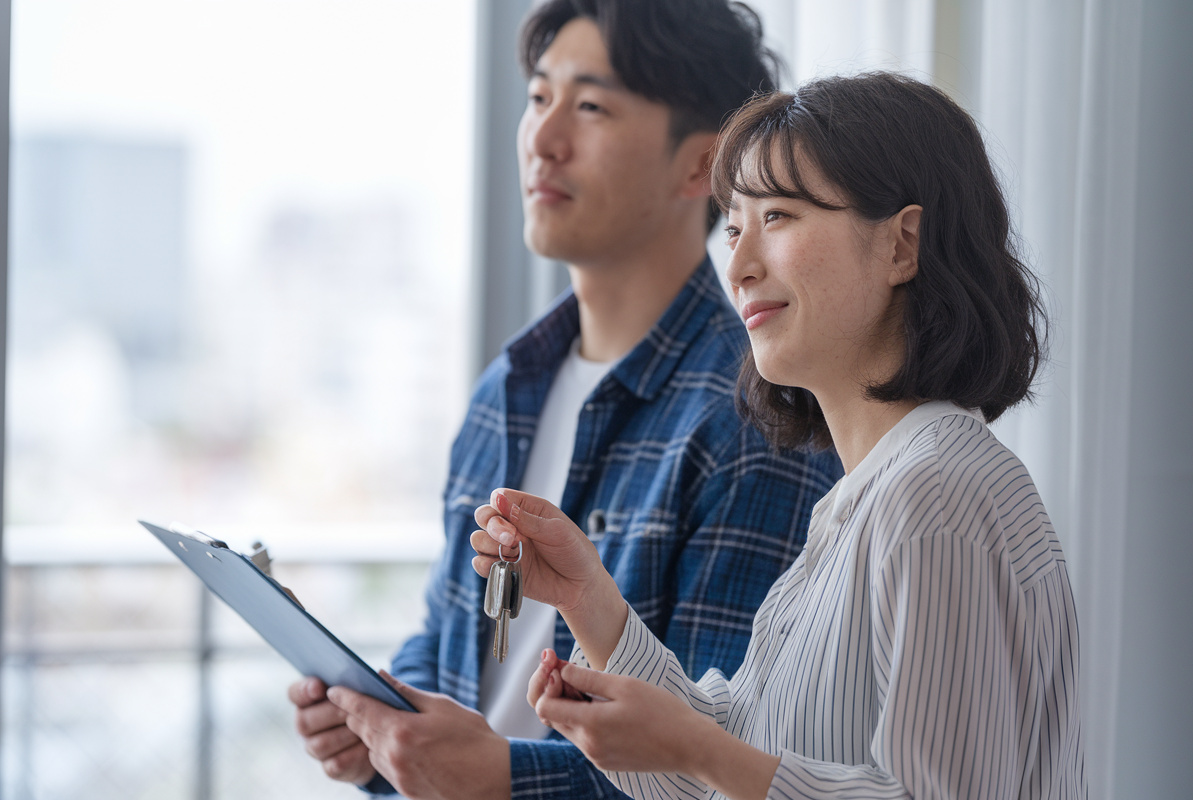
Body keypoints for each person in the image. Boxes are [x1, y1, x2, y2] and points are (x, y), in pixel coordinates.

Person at [465, 72, 1088, 799]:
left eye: (780, 217)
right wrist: (588, 600)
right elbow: (733, 762)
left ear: (902, 245)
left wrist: (698, 749)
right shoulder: (865, 501)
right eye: (734, 228)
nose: (738, 266)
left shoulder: (936, 496)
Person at [293, 2, 843, 798]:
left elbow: (721, 761)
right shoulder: (509, 385)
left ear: (702, 167)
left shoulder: (757, 421)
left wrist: (503, 778)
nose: (543, 139)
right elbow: (446, 640)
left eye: (589, 106)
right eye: (539, 97)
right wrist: (377, 728)